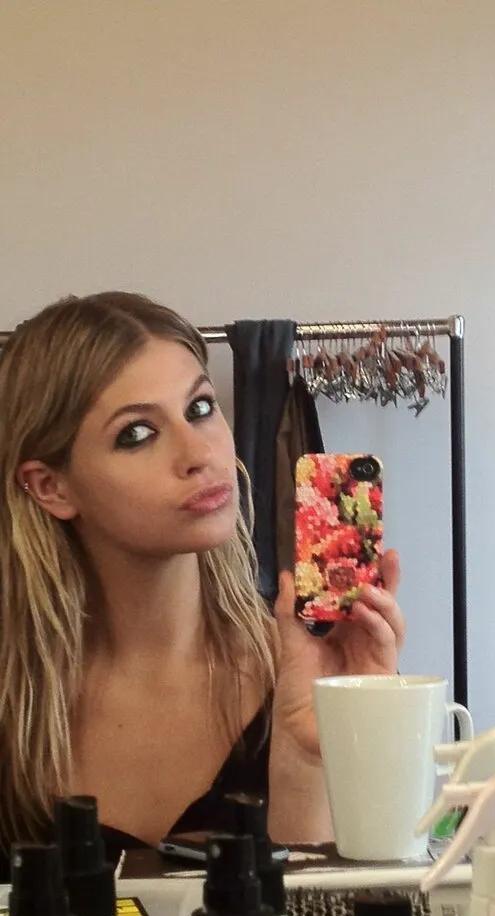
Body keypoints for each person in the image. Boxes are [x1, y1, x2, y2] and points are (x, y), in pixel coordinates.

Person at [0, 291, 405, 869]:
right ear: (51, 487)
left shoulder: (302, 671)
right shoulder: (15, 704)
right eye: (137, 434)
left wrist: (314, 752)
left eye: (199, 408)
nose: (199, 452)